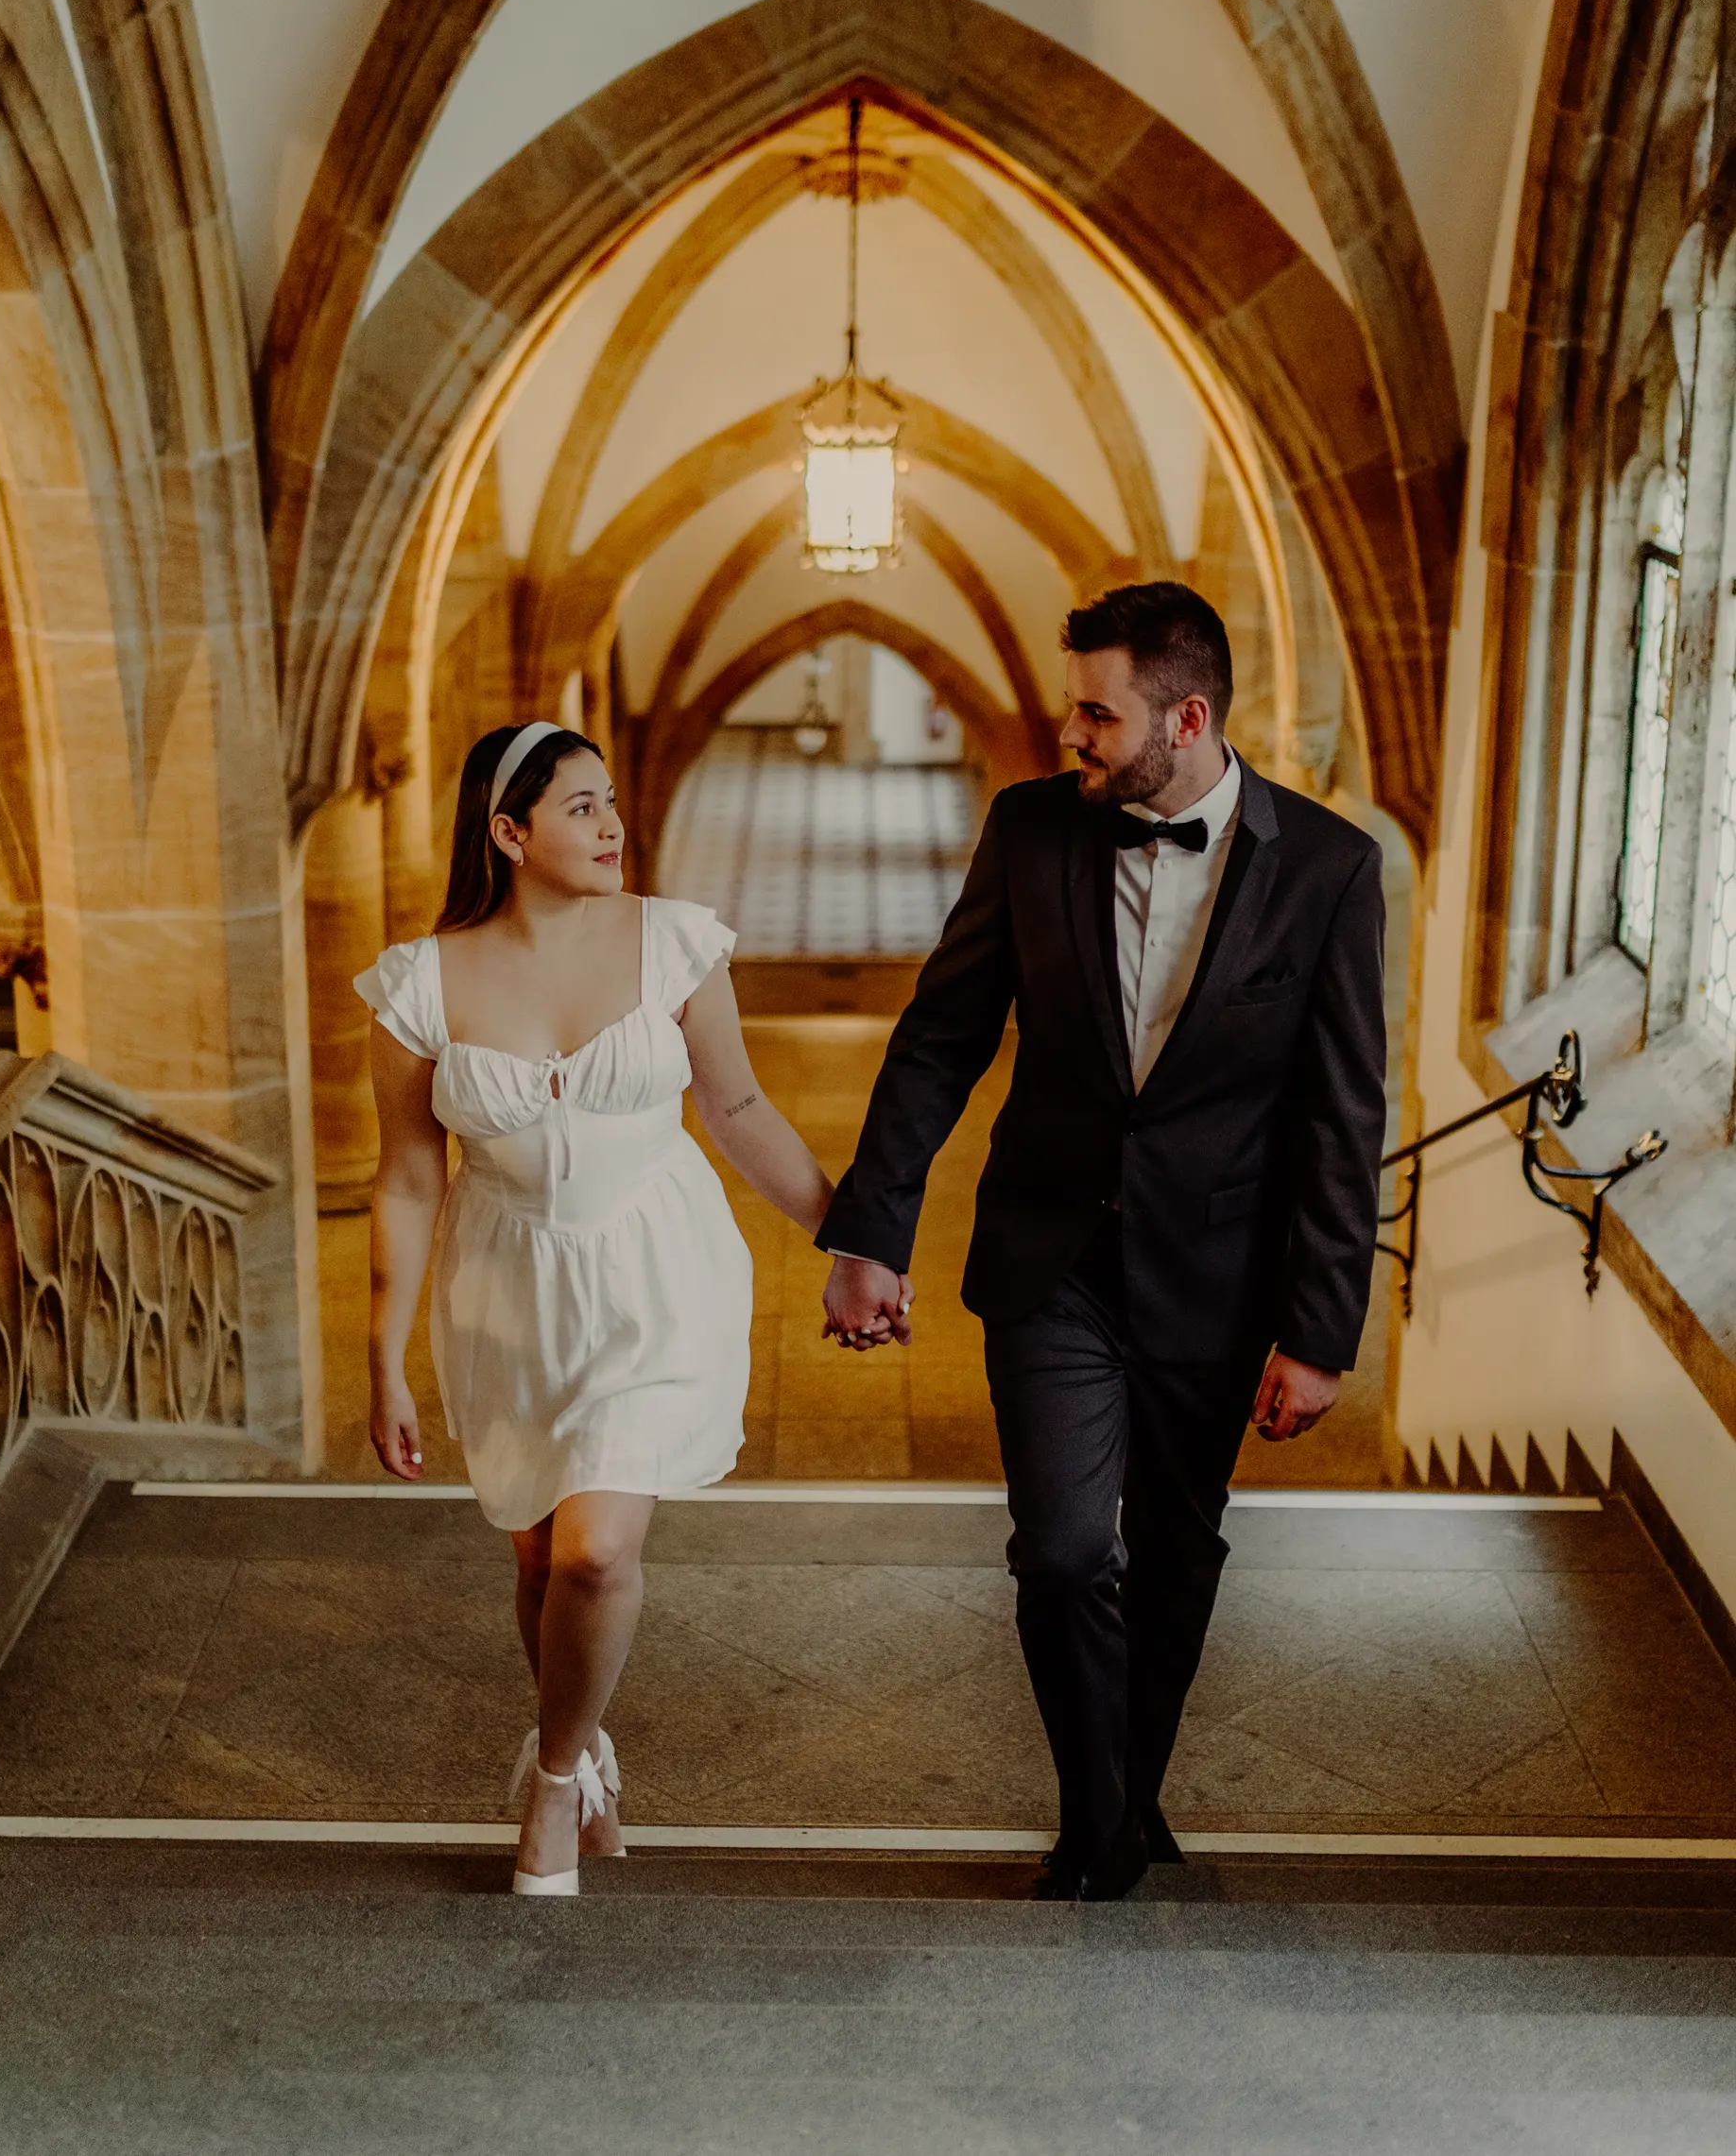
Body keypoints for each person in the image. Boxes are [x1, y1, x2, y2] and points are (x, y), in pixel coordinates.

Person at [816, 583, 1386, 1900]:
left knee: (1180, 1554)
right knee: (1069, 1549)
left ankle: (1130, 1789)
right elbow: (941, 1036)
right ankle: (1098, 1824)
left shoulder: (1329, 869)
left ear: (1184, 720)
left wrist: (1319, 1329)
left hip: (1217, 1274)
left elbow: (1342, 1114)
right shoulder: (1030, 831)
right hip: (1049, 1259)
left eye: (1094, 710)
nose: (1067, 731)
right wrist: (872, 1230)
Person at [359, 721, 835, 1896]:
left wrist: (853, 1237)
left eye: (611, 800)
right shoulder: (421, 982)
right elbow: (410, 1177)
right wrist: (381, 1359)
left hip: (653, 1278)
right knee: (537, 1557)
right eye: (579, 807)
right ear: (508, 831)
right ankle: (585, 1748)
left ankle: (556, 1779)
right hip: (505, 1293)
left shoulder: (674, 944)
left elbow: (736, 1112)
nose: (612, 824)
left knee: (596, 1550)